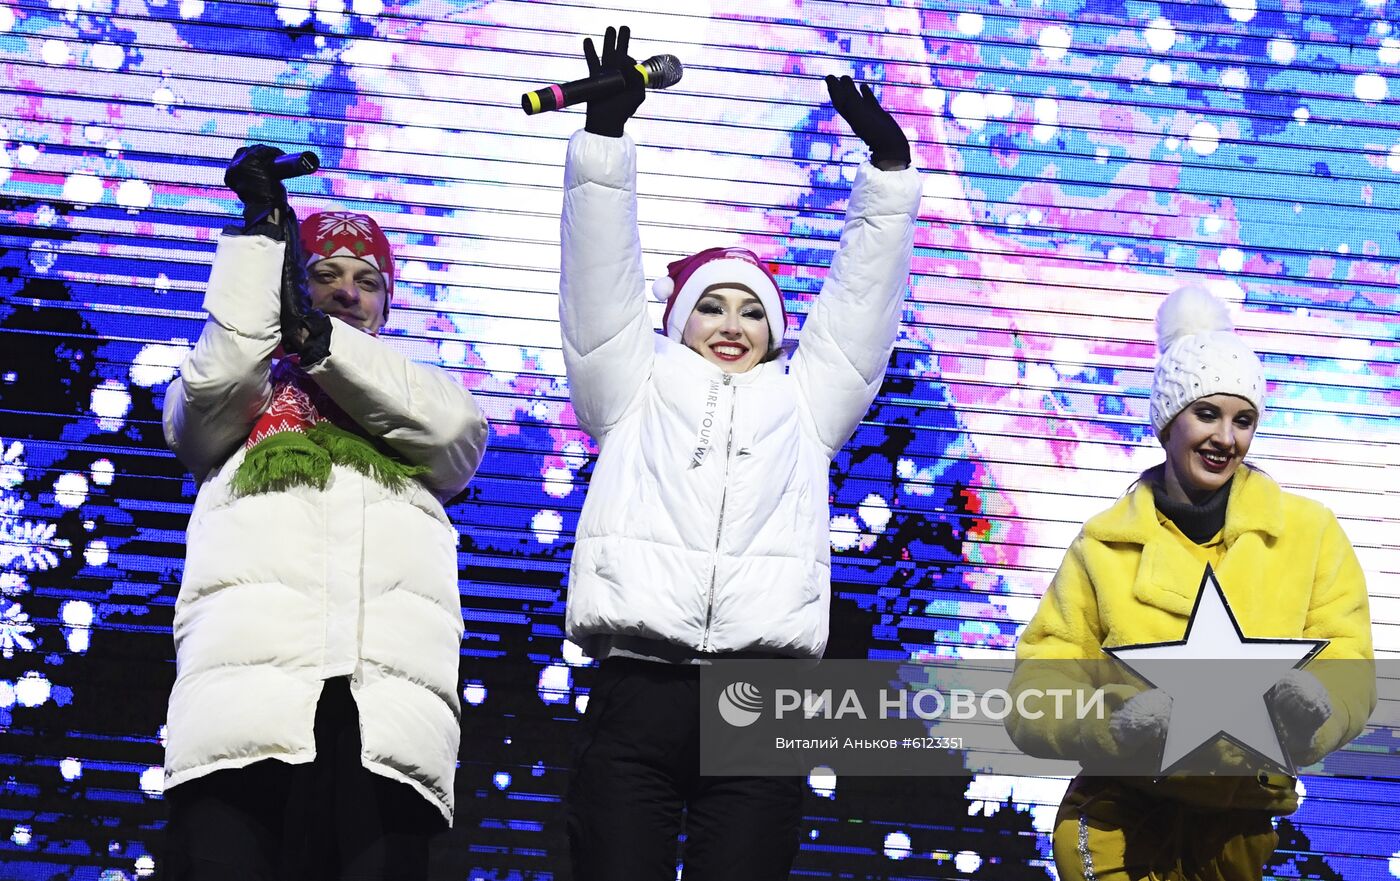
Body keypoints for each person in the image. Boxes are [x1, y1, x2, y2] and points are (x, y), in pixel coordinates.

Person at [555, 25, 924, 881]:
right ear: (677, 321)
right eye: (710, 307)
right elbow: (597, 280)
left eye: (751, 310)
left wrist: (890, 179)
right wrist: (603, 142)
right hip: (638, 688)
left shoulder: (805, 403)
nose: (731, 325)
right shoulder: (630, 385)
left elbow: (862, 306)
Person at [160, 145, 489, 880]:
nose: (346, 292)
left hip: (382, 725)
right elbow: (213, 384)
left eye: (366, 281)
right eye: (323, 275)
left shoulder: (421, 396)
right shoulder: (242, 402)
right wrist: (260, 238)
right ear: (290, 287)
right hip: (246, 720)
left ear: (387, 303)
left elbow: (455, 439)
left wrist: (322, 344)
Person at [1006, 285, 1375, 881]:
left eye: (1244, 420)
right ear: (1167, 420)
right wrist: (1116, 724)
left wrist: (1317, 711)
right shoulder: (1104, 545)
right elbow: (1033, 696)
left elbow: (1349, 663)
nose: (1226, 439)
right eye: (1207, 413)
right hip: (1120, 824)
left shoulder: (1309, 535)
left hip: (1242, 830)